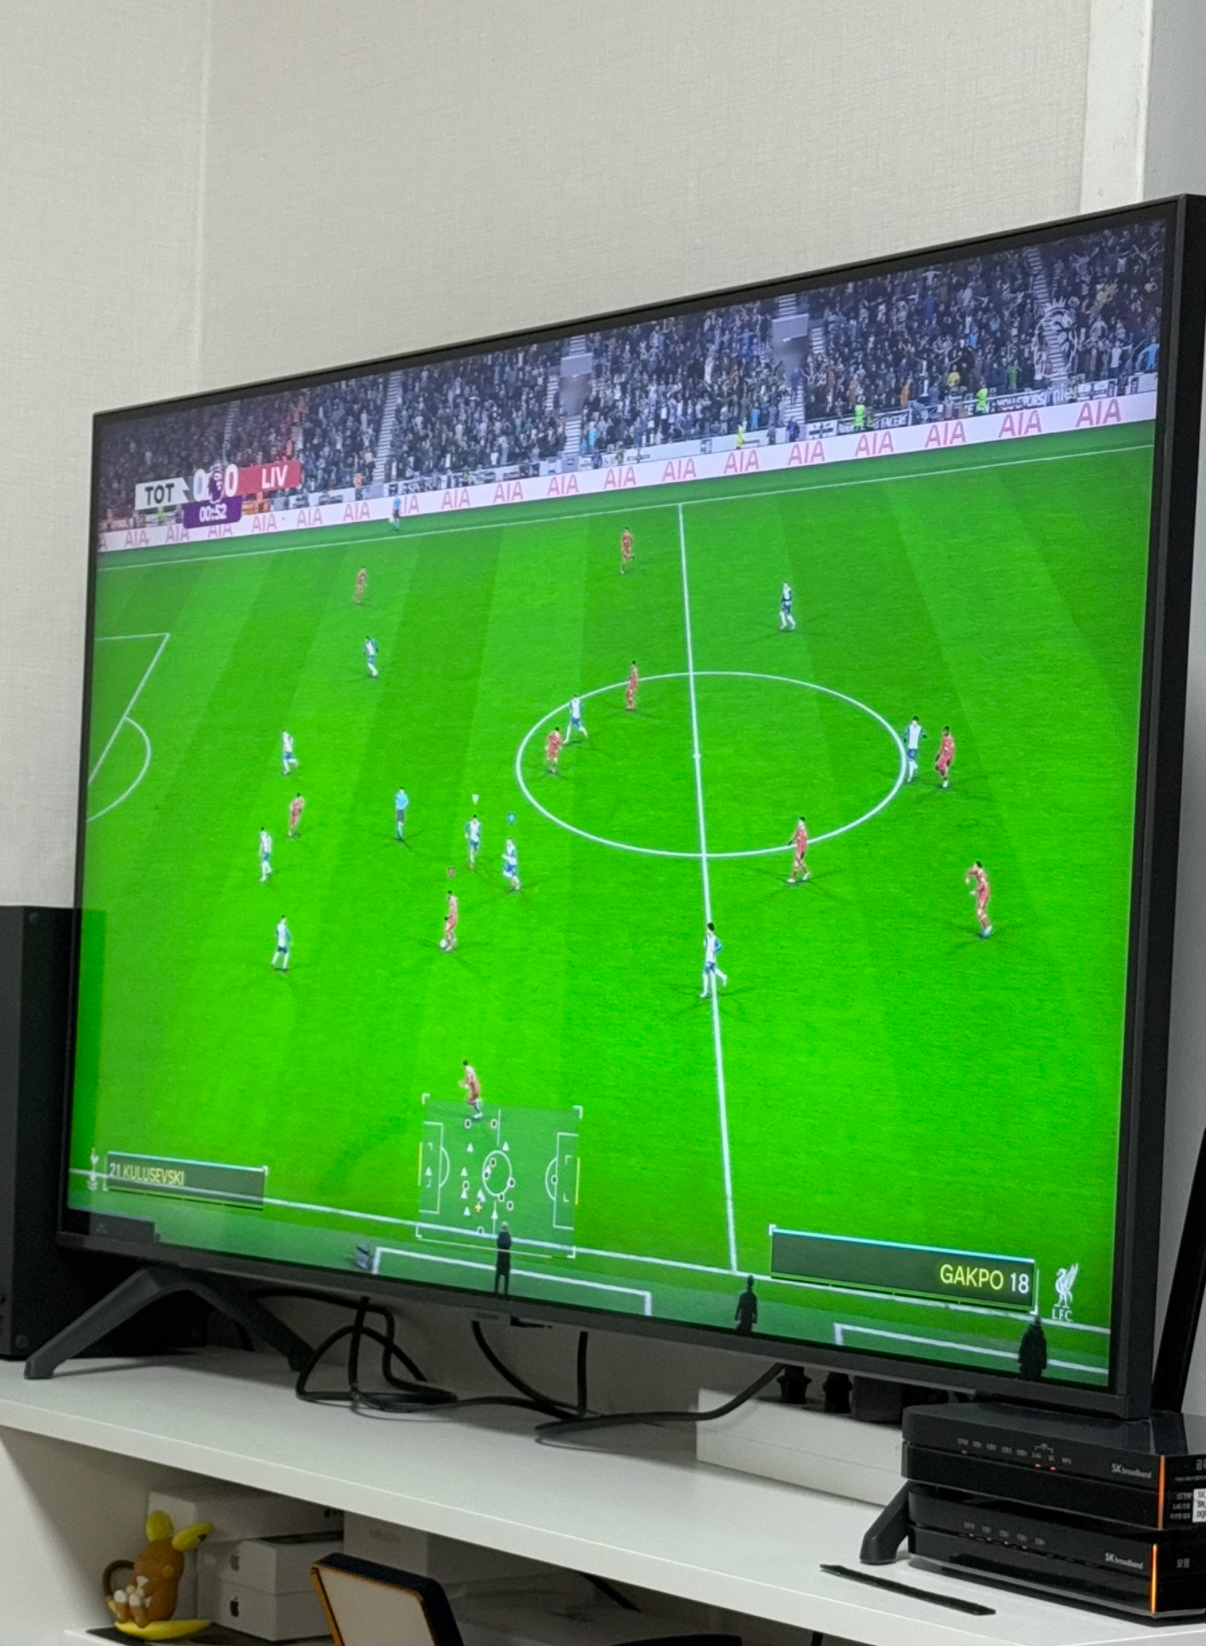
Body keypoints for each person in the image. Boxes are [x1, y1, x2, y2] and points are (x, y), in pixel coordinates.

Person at [965, 860, 993, 937]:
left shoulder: (982, 874)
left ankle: (987, 927)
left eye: (974, 866)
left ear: (978, 867)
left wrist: (975, 891)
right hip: (982, 893)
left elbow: (983, 885)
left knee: (979, 911)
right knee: (979, 911)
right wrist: (967, 878)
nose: (973, 867)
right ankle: (986, 927)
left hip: (984, 894)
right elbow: (969, 871)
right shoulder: (977, 871)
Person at [700, 921, 728, 998]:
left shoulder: (715, 939)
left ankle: (705, 991)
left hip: (711, 959)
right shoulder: (707, 937)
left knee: (704, 974)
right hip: (708, 958)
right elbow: (706, 944)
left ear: (710, 930)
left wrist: (714, 950)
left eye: (707, 929)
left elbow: (720, 947)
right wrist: (705, 944)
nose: (706, 930)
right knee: (714, 970)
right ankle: (724, 976)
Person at [1018, 1315, 1048, 1381]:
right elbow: (1043, 1352)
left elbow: (1023, 1347)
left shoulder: (1028, 1333)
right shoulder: (1041, 1336)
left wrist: (1021, 1359)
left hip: (1027, 1362)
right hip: (1036, 1364)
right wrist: (1043, 1365)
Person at [787, 816, 810, 883]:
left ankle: (793, 878)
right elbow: (795, 835)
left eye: (800, 822)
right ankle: (806, 872)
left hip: (800, 850)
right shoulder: (799, 829)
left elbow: (804, 843)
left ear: (803, 823)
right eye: (799, 821)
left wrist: (802, 852)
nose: (799, 823)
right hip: (798, 848)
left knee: (796, 863)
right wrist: (791, 841)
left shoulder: (804, 832)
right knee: (800, 862)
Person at [904, 716, 925, 784]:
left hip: (914, 747)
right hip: (909, 746)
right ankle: (916, 766)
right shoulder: (909, 727)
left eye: (915, 721)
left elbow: (923, 733)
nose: (913, 723)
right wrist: (905, 738)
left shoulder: (919, 728)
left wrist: (924, 735)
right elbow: (906, 732)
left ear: (917, 722)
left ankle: (910, 777)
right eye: (913, 721)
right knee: (908, 758)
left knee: (911, 762)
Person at [494, 1222, 513, 1295]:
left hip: (500, 1258)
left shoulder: (500, 1235)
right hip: (506, 1259)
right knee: (506, 1277)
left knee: (497, 1276)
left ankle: (495, 1291)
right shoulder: (508, 1235)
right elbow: (509, 1244)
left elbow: (498, 1243)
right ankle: (505, 1292)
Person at [935, 725, 956, 790]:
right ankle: (944, 778)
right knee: (937, 767)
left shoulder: (951, 739)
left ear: (948, 731)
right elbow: (942, 747)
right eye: (943, 731)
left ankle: (945, 781)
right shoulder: (944, 738)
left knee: (945, 770)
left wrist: (950, 758)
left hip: (948, 757)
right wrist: (938, 754)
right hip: (943, 756)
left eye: (945, 731)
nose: (943, 732)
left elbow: (952, 749)